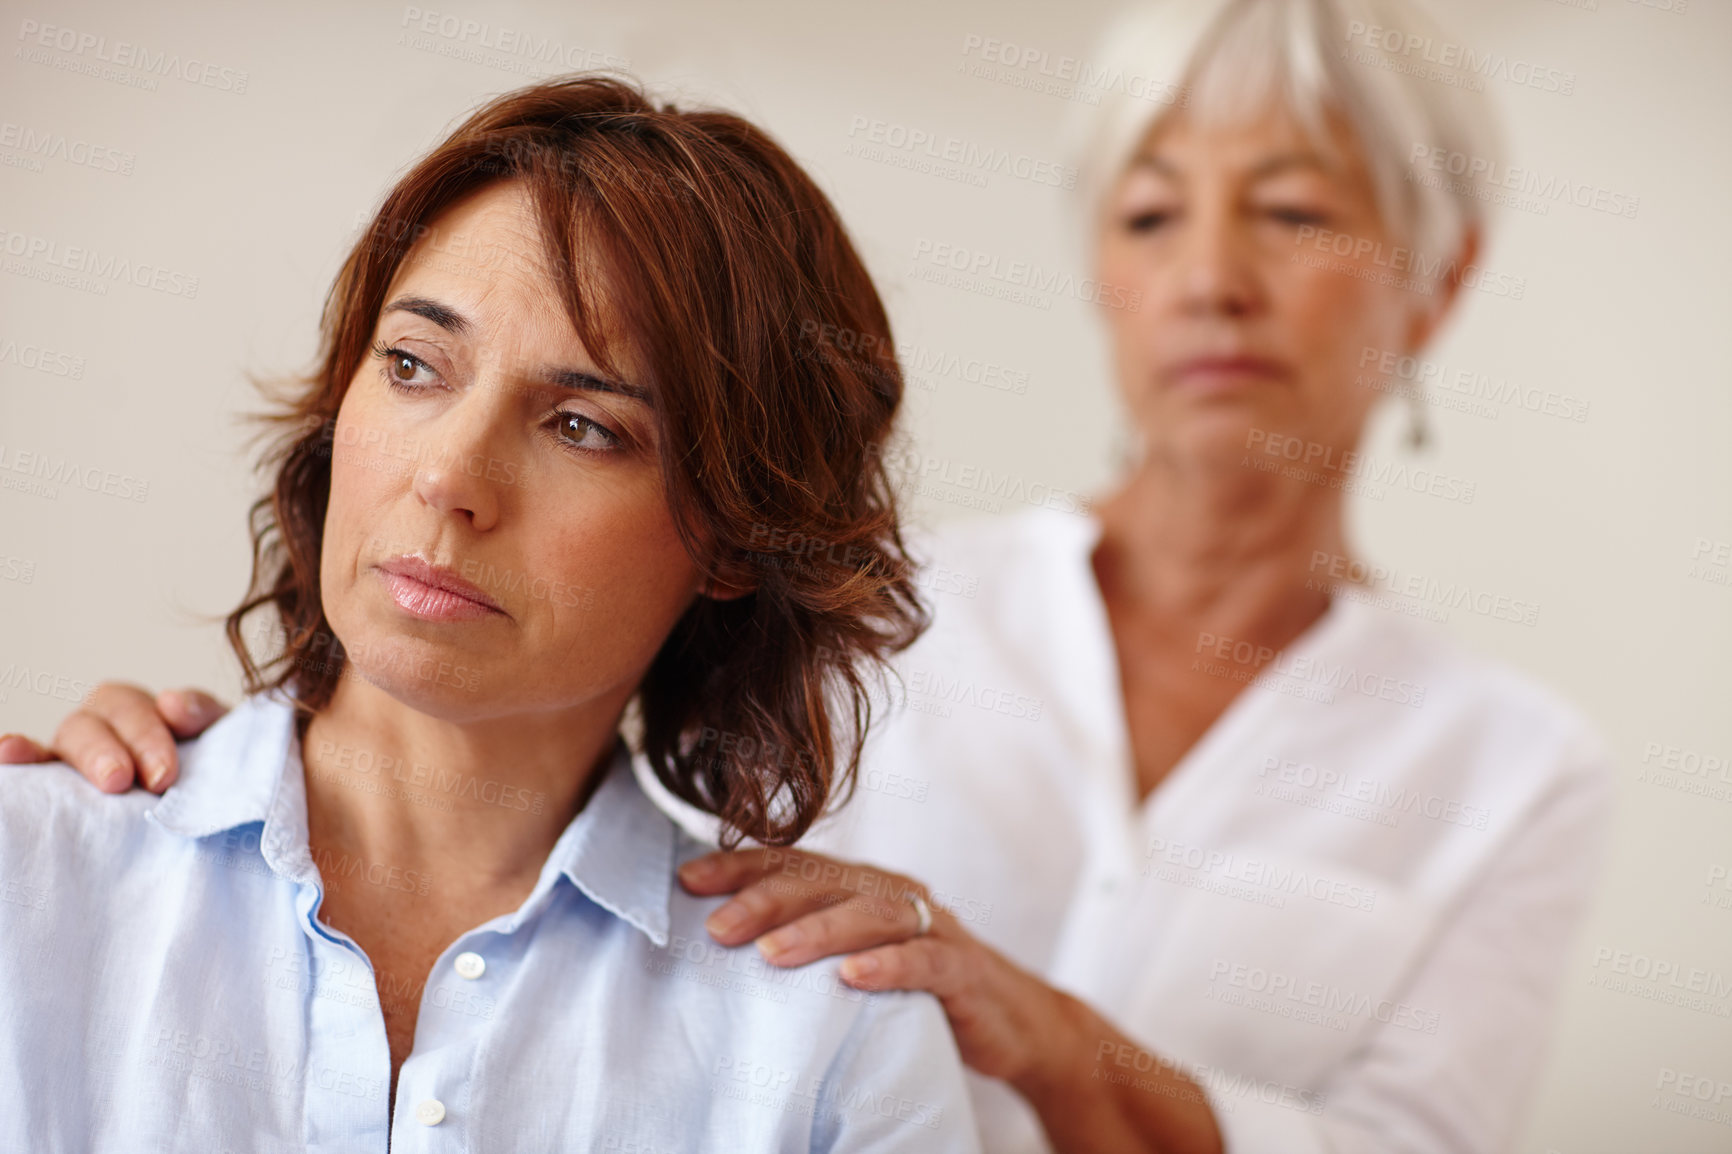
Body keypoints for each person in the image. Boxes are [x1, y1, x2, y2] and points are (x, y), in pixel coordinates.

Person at [4, 2, 1614, 1152]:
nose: (1208, 278)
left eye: (1289, 212)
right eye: (1148, 211)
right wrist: (131, 796)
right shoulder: (51, 875)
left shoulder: (1512, 768)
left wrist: (1015, 1015)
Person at [0, 74, 981, 1151]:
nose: (449, 476)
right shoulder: (31, 871)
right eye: (414, 365)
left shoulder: (831, 1035)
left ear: (737, 538)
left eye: (580, 424)